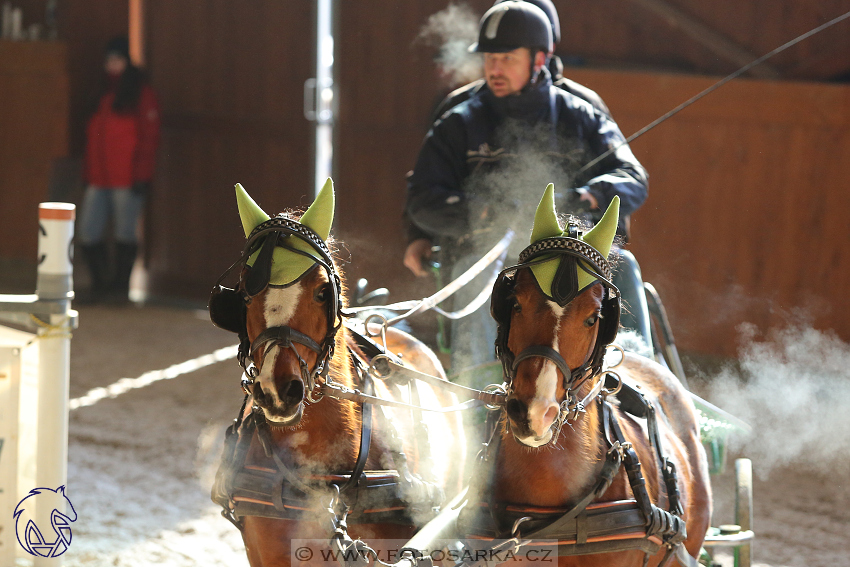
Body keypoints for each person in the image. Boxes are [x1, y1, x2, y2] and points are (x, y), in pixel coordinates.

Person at [403, 1, 648, 381]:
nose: (494, 69)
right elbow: (422, 198)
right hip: (489, 257)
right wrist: (483, 210)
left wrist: (589, 196)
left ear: (540, 59)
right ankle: (477, 391)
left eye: (507, 58)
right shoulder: (457, 120)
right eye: (489, 58)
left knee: (626, 267)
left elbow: (632, 177)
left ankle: (632, 378)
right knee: (475, 272)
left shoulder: (581, 114)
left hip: (572, 258)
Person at [428, 0, 611, 124]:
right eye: (494, 54)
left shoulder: (583, 108)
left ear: (545, 52)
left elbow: (624, 174)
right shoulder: (459, 107)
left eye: (509, 56)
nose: (497, 69)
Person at [78, 36, 161, 303]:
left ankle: (119, 290)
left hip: (127, 177)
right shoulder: (102, 91)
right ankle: (101, 285)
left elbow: (148, 138)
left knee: (125, 233)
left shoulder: (140, 92)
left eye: (117, 60)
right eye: (109, 60)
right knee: (88, 232)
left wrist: (142, 175)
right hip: (99, 177)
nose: (112, 65)